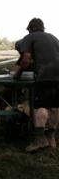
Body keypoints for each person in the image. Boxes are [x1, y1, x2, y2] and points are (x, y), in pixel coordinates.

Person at [15, 18, 59, 152]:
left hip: (44, 75)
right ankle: (51, 138)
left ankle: (40, 140)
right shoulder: (54, 37)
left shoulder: (30, 37)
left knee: (40, 106)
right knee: (55, 107)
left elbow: (26, 60)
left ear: (30, 28)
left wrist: (19, 73)